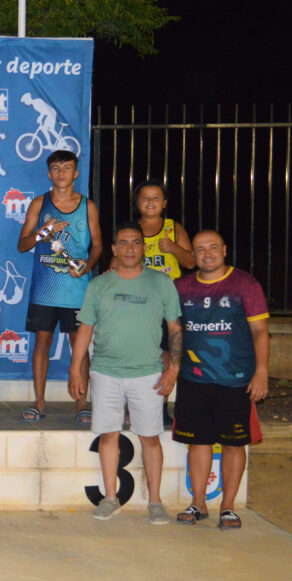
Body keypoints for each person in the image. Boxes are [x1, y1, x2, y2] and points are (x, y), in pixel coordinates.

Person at [68, 223, 182, 524]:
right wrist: (75, 370)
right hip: (105, 373)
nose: (130, 248)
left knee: (150, 438)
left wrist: (173, 368)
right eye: (124, 243)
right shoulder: (98, 285)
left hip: (148, 374)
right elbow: (85, 329)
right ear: (114, 249)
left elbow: (174, 328)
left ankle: (155, 501)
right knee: (109, 437)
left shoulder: (162, 283)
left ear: (144, 248)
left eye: (136, 243)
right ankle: (109, 497)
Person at [173, 230, 269, 530]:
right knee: (198, 443)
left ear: (224, 250)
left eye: (213, 248)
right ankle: (198, 503)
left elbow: (260, 332)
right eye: (200, 249)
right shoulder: (181, 287)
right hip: (193, 379)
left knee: (232, 444)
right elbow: (173, 332)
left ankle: (228, 507)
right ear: (193, 255)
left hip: (236, 380)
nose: (207, 254)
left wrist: (262, 371)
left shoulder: (245, 285)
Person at [16, 150, 102, 424]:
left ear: (76, 173)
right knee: (42, 343)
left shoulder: (87, 206)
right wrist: (45, 232)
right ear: (49, 173)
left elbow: (98, 245)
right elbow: (23, 244)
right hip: (45, 290)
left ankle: (81, 404)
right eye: (56, 168)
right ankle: (39, 403)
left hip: (77, 291)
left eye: (67, 168)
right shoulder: (39, 204)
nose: (61, 173)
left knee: (79, 345)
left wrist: (86, 267)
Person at [128, 179, 195, 428]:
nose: (150, 202)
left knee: (166, 355)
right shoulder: (131, 229)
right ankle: (132, 408)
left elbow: (190, 262)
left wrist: (173, 248)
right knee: (135, 355)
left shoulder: (172, 228)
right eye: (145, 198)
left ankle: (161, 407)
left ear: (164, 203)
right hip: (137, 304)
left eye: (156, 198)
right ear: (137, 204)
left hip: (168, 304)